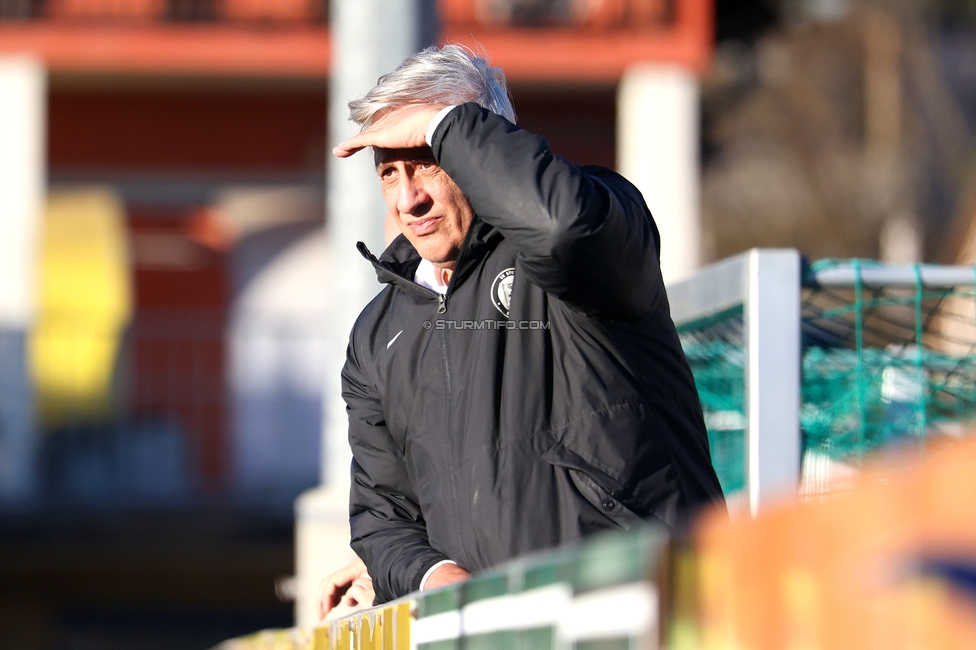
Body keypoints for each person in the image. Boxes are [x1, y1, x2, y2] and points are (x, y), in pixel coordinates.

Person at [319, 44, 725, 615]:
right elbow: (383, 519)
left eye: (429, 160)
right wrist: (430, 576)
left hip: (645, 612)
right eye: (390, 172)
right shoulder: (376, 334)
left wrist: (447, 123)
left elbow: (563, 230)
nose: (409, 199)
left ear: (479, 142)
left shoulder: (594, 232)